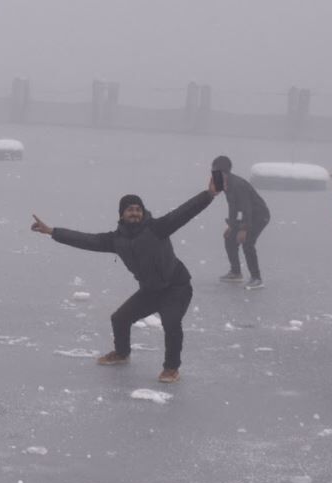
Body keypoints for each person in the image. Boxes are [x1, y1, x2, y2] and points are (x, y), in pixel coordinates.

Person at [31, 178, 217, 383]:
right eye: (130, 209)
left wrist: (208, 195)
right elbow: (86, 240)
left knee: (171, 323)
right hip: (151, 290)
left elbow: (184, 212)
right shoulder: (116, 240)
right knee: (120, 318)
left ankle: (171, 369)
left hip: (176, 287)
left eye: (138, 209)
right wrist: (52, 232)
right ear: (122, 214)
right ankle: (121, 353)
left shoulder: (158, 228)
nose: (135, 213)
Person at [212, 155, 270, 289]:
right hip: (248, 216)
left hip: (260, 216)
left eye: (214, 172)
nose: (213, 175)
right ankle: (236, 272)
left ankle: (257, 278)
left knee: (247, 242)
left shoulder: (238, 185)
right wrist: (231, 226)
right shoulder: (226, 184)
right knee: (229, 237)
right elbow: (233, 206)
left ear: (222, 173)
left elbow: (246, 208)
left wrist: (243, 229)